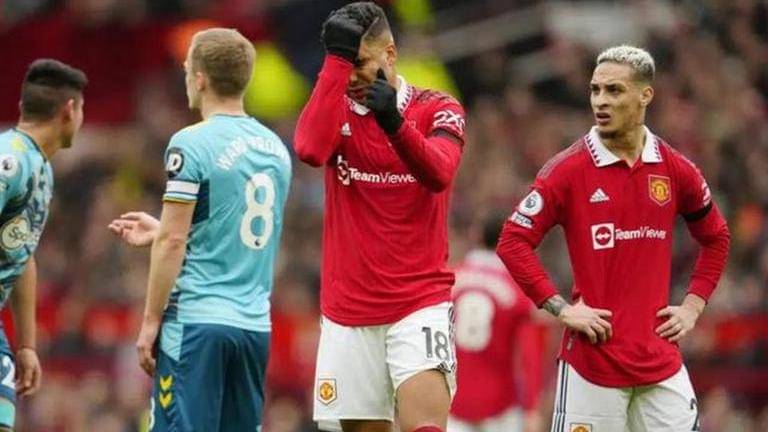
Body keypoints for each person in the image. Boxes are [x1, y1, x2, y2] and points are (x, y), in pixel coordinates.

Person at [496, 45, 730, 432]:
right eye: (595, 90)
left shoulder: (675, 169)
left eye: (614, 90)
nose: (600, 101)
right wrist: (560, 308)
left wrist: (692, 306)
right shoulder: (568, 170)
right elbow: (512, 241)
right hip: (592, 367)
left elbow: (717, 237)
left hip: (660, 363)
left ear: (645, 95)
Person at [294, 2, 467, 432]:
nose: (351, 76)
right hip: (348, 312)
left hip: (418, 303)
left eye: (359, 63)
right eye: (342, 64)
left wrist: (394, 123)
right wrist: (335, 63)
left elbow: (439, 173)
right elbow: (310, 150)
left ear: (390, 54)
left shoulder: (437, 108)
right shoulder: (335, 112)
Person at [108, 28, 292, 431]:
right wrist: (162, 231)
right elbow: (235, 232)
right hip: (254, 326)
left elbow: (174, 241)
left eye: (187, 69)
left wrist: (150, 321)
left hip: (196, 321)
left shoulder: (190, 143)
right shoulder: (276, 149)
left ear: (201, 78)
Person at [0, 59, 87, 430]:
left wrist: (26, 345)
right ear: (70, 110)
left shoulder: (41, 168)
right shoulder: (10, 160)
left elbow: (23, 255)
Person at [448, 213, 543, 432]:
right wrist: (532, 407)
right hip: (500, 405)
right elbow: (529, 352)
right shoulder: (518, 289)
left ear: (476, 235)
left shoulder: (449, 279)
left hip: (452, 401)